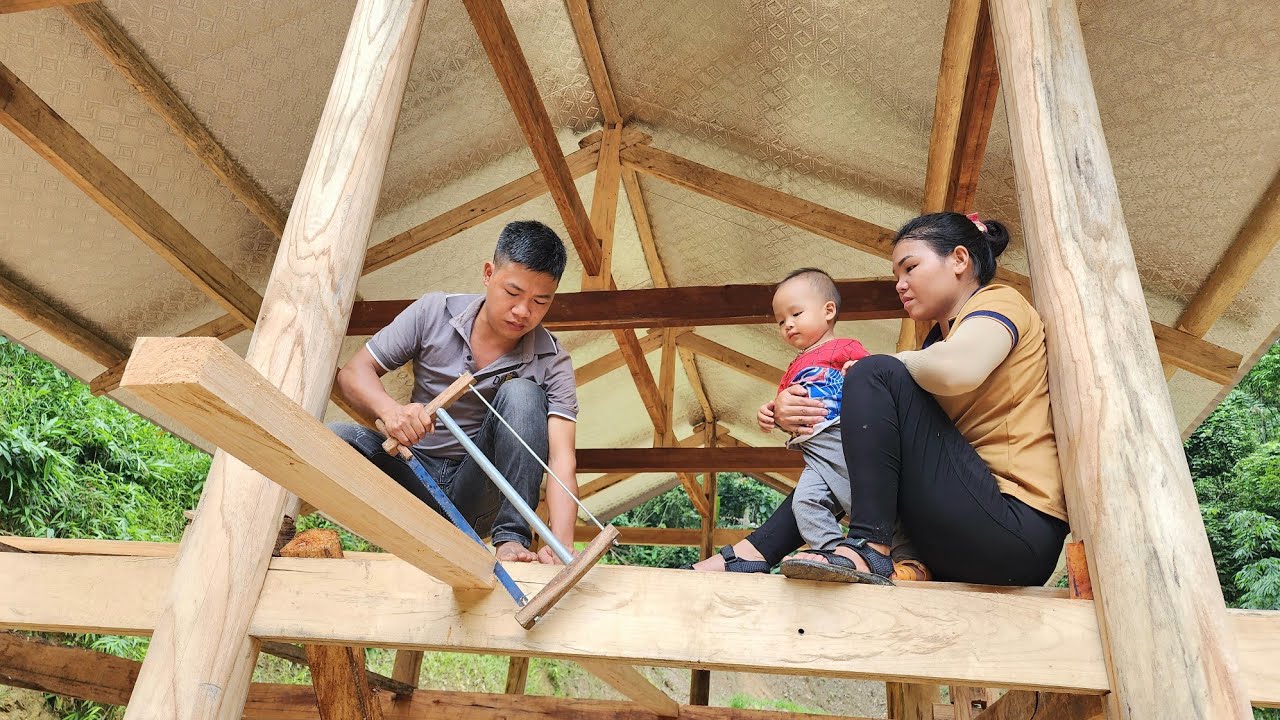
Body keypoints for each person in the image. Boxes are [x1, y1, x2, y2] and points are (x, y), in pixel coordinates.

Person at [692, 212, 1068, 586]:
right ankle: (757, 551)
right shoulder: (934, 346)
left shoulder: (1000, 302)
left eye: (910, 268)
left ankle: (868, 546)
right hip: (954, 529)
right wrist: (791, 412)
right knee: (853, 433)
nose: (900, 285)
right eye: (896, 276)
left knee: (874, 372)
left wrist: (873, 370)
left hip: (1015, 527)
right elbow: (876, 443)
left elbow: (961, 369)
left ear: (959, 259)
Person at [329, 220, 580, 565]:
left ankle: (511, 539)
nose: (523, 311)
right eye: (513, 293)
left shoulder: (553, 360)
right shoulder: (434, 311)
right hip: (413, 475)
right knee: (337, 438)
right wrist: (391, 411)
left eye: (540, 301)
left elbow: (562, 460)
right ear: (488, 274)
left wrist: (560, 544)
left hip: (479, 495)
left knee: (523, 394)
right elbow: (354, 374)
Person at [755, 268, 870, 564]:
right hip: (811, 450)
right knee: (804, 502)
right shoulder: (792, 368)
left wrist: (858, 370)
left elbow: (874, 376)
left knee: (860, 497)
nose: (788, 325)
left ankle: (878, 549)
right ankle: (833, 552)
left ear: (828, 311)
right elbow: (784, 406)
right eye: (781, 321)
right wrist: (770, 414)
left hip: (842, 436)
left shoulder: (845, 347)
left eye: (796, 314)